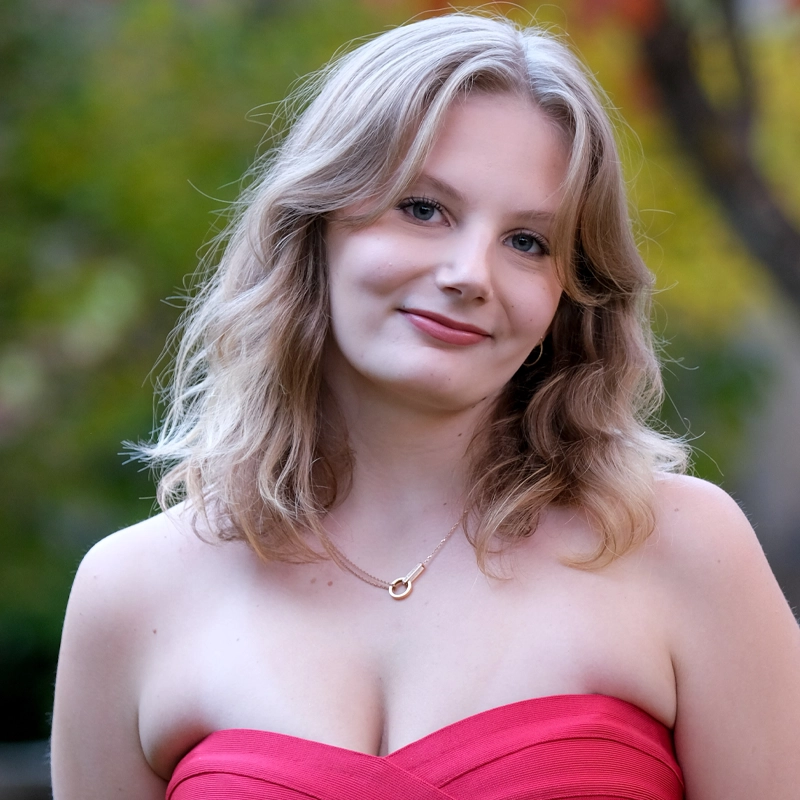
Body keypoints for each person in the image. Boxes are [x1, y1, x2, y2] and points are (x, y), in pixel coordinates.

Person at [50, 11, 800, 800]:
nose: (469, 272)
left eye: (528, 242)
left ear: (569, 295)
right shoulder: (131, 594)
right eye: (423, 208)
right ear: (315, 227)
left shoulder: (680, 549)